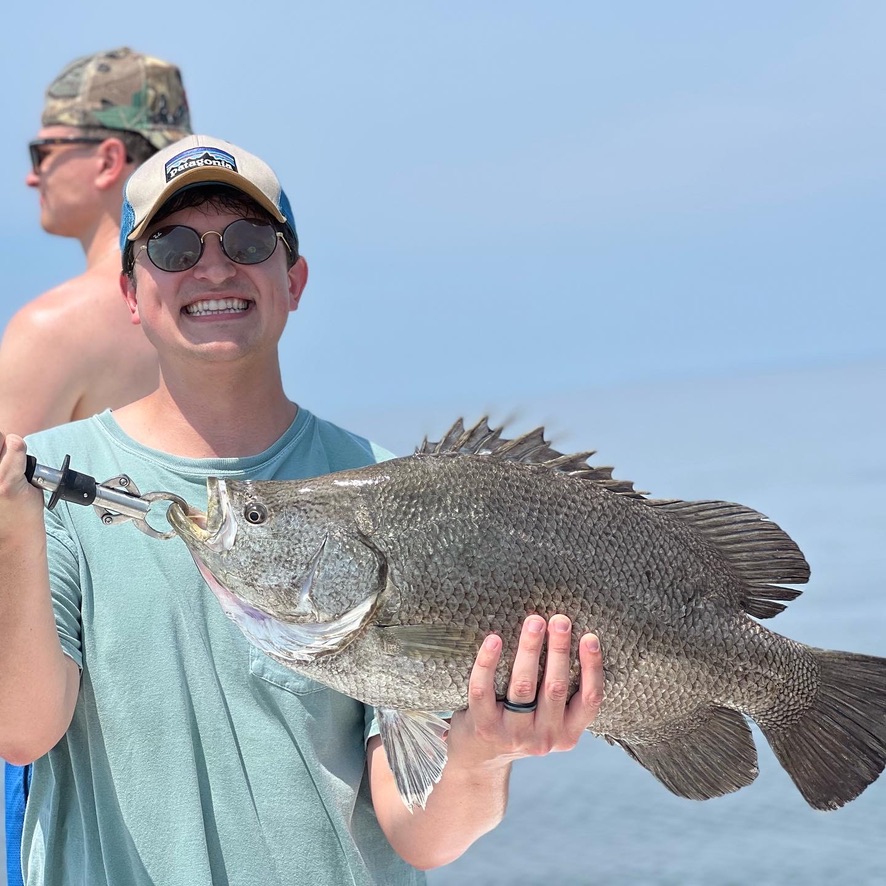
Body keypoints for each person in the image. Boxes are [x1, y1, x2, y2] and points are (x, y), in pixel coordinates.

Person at [0, 134, 605, 885]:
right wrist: (8, 523)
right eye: (174, 245)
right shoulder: (46, 485)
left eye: (249, 241)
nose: (214, 267)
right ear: (130, 292)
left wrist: (487, 756)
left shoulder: (392, 486)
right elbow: (21, 731)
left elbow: (422, 834)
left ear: (295, 278)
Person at [0, 47, 192, 886]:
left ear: (109, 157)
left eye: (43, 153)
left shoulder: (55, 330)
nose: (33, 177)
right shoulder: (211, 320)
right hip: (170, 694)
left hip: (51, 701)